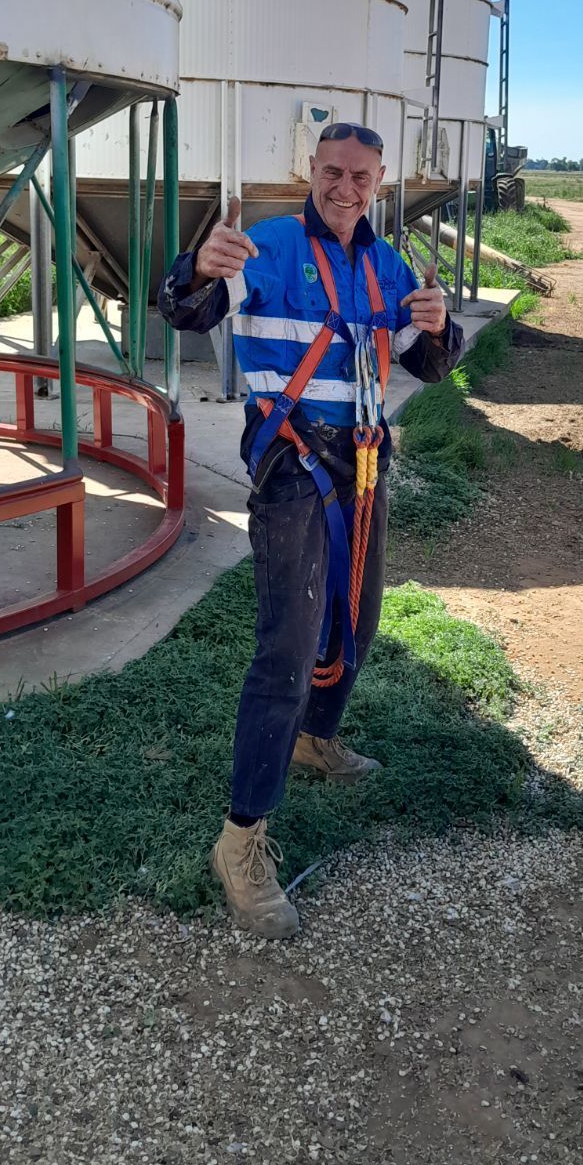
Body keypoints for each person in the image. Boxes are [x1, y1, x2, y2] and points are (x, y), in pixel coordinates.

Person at [158, 123, 464, 937]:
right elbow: (189, 309)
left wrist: (437, 327)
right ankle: (241, 841)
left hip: (363, 469)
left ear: (380, 181)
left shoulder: (388, 264)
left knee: (356, 625)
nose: (345, 187)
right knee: (287, 649)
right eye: (333, 171)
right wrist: (196, 269)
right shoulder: (267, 245)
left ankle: (316, 739)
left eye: (361, 176)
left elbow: (429, 364)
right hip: (294, 472)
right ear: (311, 169)